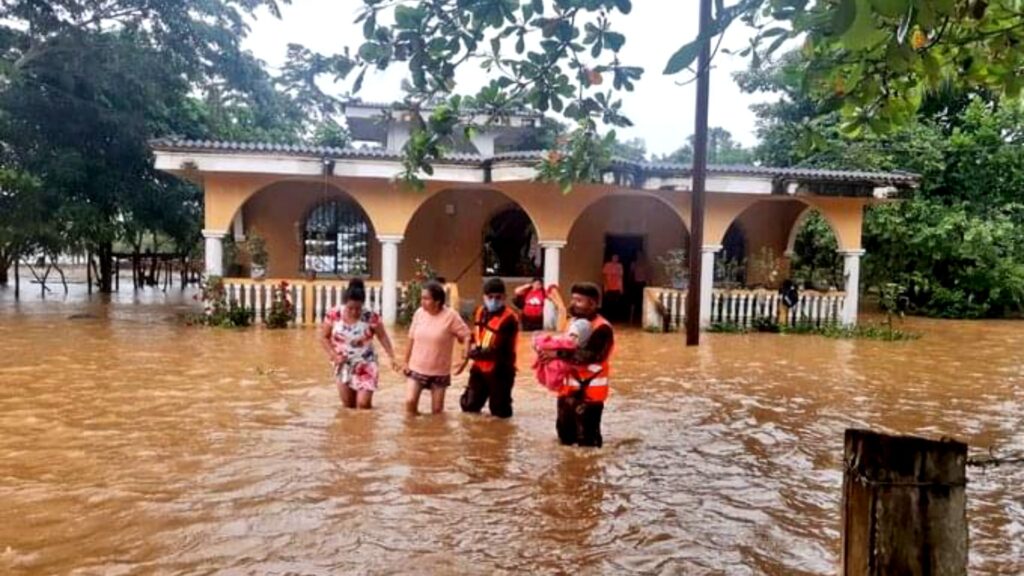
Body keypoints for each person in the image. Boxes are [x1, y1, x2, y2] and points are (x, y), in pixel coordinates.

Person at [539, 282, 614, 448]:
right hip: (567, 391)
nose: (573, 303)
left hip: (590, 395)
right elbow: (561, 344)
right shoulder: (572, 322)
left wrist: (556, 354)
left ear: (593, 304)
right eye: (573, 299)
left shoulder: (602, 328)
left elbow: (589, 356)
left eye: (579, 301)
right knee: (564, 438)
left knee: (588, 442)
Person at [320, 279, 397, 409]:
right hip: (343, 364)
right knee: (348, 406)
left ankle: (366, 427)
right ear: (345, 303)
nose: (355, 312)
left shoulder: (371, 317)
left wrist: (392, 357)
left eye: (358, 308)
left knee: (363, 404)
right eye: (350, 308)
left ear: (363, 304)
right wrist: (333, 355)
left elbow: (382, 336)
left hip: (366, 363)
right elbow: (323, 337)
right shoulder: (334, 314)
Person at [403, 280, 472, 415]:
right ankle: (413, 433)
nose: (422, 302)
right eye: (421, 298)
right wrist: (405, 362)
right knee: (410, 402)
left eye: (426, 299)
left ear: (438, 301)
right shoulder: (419, 313)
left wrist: (464, 358)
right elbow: (411, 338)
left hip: (439, 372)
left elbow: (467, 336)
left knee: (437, 412)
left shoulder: (451, 316)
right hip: (417, 368)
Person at [460, 278, 520, 418]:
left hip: (501, 369)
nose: (494, 300)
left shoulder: (509, 319)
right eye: (490, 297)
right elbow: (480, 334)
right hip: (479, 368)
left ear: (504, 297)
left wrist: (471, 354)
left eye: (498, 297)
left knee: (499, 412)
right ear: (484, 297)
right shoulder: (480, 312)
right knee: (469, 406)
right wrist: (467, 341)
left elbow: (498, 350)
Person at [531, 316, 592, 392]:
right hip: (566, 391)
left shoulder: (585, 353)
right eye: (571, 335)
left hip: (583, 393)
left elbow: (582, 362)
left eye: (575, 336)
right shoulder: (563, 343)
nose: (572, 338)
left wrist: (556, 354)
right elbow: (547, 343)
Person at [602, 254, 624, 320]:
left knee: (616, 303)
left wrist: (621, 287)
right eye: (614, 257)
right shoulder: (608, 265)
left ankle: (615, 318)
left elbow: (620, 277)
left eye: (616, 258)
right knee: (608, 303)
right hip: (608, 286)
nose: (615, 259)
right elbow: (604, 276)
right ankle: (607, 317)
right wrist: (605, 286)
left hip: (616, 287)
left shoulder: (619, 266)